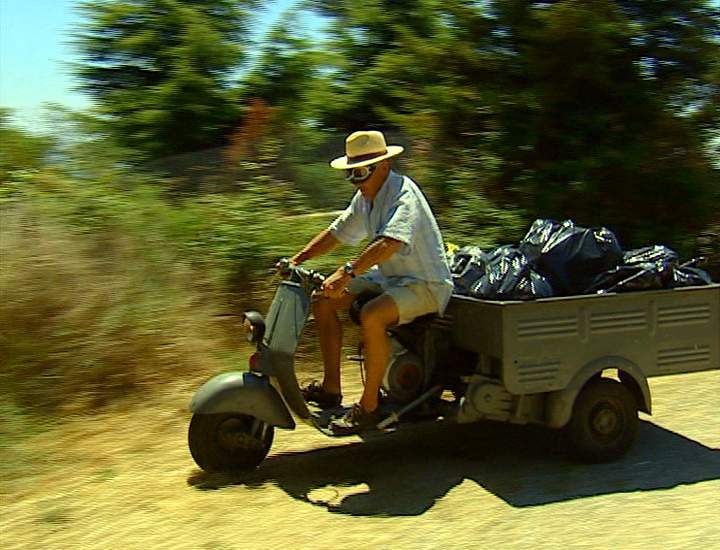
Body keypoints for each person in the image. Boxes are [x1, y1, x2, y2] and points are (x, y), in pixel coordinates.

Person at [288, 130, 453, 435]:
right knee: (323, 300)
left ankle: (369, 407)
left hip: (426, 283)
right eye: (351, 173)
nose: (356, 181)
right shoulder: (367, 197)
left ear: (384, 166)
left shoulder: (404, 195)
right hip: (391, 277)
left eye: (361, 172)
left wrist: (347, 272)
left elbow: (389, 243)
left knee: (372, 315)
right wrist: (298, 258)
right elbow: (338, 231)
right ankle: (331, 388)